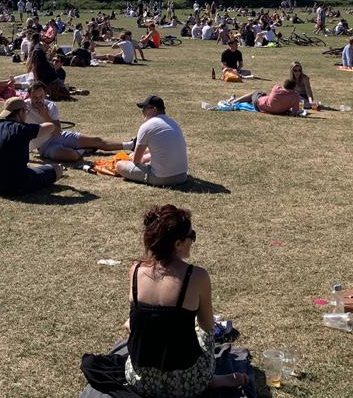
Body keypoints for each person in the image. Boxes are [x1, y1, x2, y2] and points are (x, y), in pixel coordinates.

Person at [122, 205, 248, 396]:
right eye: (192, 236)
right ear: (178, 244)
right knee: (202, 331)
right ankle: (210, 379)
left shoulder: (135, 271)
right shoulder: (196, 276)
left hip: (140, 380)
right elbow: (207, 326)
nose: (193, 241)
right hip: (186, 384)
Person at [24, 81, 131, 162]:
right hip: (44, 146)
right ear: (29, 95)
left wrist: (45, 115)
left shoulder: (51, 106)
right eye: (35, 97)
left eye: (41, 96)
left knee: (96, 140)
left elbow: (57, 131)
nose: (38, 100)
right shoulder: (23, 108)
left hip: (58, 136)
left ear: (45, 94)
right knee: (73, 156)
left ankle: (129, 145)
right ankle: (84, 150)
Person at [0, 97, 62, 196]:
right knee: (57, 169)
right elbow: (50, 126)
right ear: (21, 112)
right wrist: (46, 117)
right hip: (16, 185)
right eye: (26, 111)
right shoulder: (22, 129)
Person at [116, 96, 188, 186]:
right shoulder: (173, 122)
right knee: (147, 152)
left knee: (119, 165)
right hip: (182, 176)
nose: (142, 111)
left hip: (162, 178)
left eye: (145, 108)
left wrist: (137, 158)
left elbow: (137, 161)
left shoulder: (147, 125)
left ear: (154, 109)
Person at [229, 79, 302, 115]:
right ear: (294, 87)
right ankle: (236, 101)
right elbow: (294, 113)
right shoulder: (295, 97)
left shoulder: (276, 89)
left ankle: (234, 101)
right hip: (278, 111)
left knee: (255, 93)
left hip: (260, 105)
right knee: (263, 94)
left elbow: (277, 87)